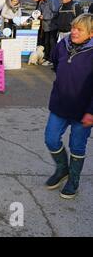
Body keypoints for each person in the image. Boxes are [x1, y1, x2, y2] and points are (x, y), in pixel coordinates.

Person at [44, 13, 93, 200]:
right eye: (73, 27)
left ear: (91, 34)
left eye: (79, 29)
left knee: (77, 146)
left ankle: (73, 179)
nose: (73, 31)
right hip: (60, 104)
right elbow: (56, 64)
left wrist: (91, 112)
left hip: (84, 111)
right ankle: (62, 168)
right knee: (51, 138)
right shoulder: (62, 45)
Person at [38, 0, 60, 66]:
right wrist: (37, 15)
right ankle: (47, 57)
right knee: (46, 42)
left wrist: (44, 17)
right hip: (45, 26)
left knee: (52, 43)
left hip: (52, 26)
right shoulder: (42, 2)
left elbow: (56, 13)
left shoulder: (53, 0)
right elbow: (38, 11)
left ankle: (52, 59)